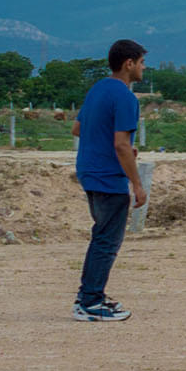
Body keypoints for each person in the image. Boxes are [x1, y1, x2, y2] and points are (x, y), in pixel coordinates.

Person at [70, 38, 147, 322]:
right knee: (107, 241)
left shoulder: (98, 89)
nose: (143, 68)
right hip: (108, 178)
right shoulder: (125, 96)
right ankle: (90, 302)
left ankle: (90, 296)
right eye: (141, 62)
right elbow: (121, 145)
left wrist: (119, 147)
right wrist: (137, 184)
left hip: (89, 172)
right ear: (129, 63)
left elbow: (78, 128)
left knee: (101, 236)